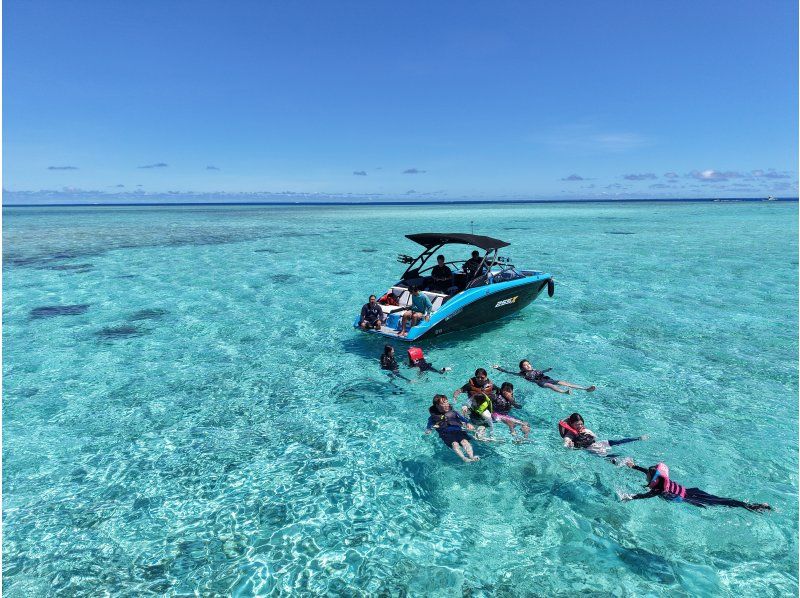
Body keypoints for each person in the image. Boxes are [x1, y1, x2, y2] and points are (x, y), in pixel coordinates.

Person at [619, 461, 771, 512]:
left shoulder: (658, 489)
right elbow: (647, 471)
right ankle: (750, 506)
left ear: (653, 479)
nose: (646, 474)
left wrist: (630, 497)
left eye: (648, 475)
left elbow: (644, 496)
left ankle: (752, 507)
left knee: (718, 504)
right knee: (720, 500)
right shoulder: (660, 482)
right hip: (691, 491)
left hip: (689, 499)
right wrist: (633, 466)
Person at [558, 412, 645, 462]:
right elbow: (565, 443)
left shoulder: (586, 430)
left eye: (581, 423)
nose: (580, 426)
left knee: (618, 441)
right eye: (577, 424)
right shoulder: (570, 434)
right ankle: (628, 462)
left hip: (600, 443)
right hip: (593, 450)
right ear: (572, 424)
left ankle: (638, 438)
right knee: (613, 458)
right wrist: (569, 446)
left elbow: (596, 437)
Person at [425, 394, 480, 463]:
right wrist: (429, 430)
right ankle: (464, 458)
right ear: (437, 405)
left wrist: (468, 424)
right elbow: (429, 427)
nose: (446, 404)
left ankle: (471, 456)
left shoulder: (454, 412)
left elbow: (464, 420)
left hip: (458, 431)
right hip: (445, 434)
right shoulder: (433, 418)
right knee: (455, 444)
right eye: (443, 403)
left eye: (447, 402)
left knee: (464, 441)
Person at [493, 360, 596, 394]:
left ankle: (585, 388)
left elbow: (542, 371)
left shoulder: (535, 370)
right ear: (522, 368)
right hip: (539, 382)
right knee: (550, 386)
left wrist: (548, 369)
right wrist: (499, 368)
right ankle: (563, 392)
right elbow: (509, 372)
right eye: (525, 365)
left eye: (528, 363)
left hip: (546, 378)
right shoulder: (523, 374)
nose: (528, 365)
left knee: (564, 382)